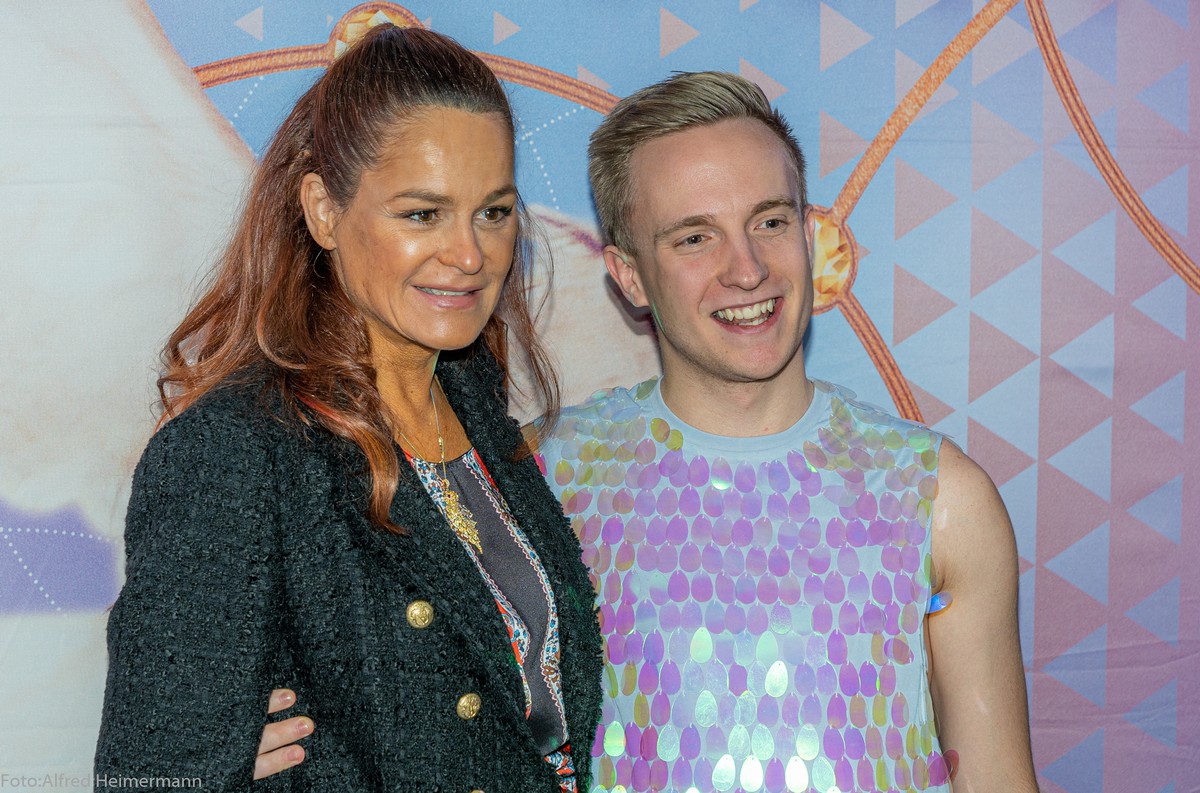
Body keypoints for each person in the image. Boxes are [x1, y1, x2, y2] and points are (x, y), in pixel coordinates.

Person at [257, 71, 1040, 792]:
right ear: (629, 274)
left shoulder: (937, 497)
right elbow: (409, 692)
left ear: (809, 235)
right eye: (694, 236)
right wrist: (245, 747)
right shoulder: (533, 481)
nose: (747, 269)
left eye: (769, 221)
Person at [95, 24, 601, 792]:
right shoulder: (236, 450)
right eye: (422, 213)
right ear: (324, 211)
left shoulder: (479, 412)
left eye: (493, 212)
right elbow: (150, 773)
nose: (470, 254)